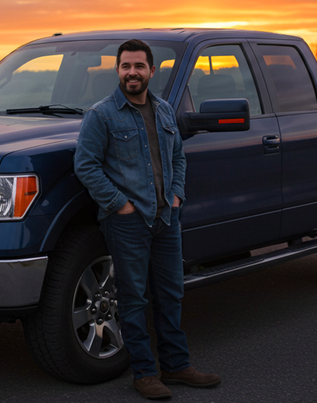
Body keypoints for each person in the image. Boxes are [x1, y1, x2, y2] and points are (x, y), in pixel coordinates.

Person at [73, 39, 220, 400]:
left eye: (139, 66)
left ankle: (177, 365)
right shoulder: (102, 114)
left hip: (166, 218)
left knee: (171, 293)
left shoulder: (165, 110)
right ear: (118, 70)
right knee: (134, 298)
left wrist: (176, 195)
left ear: (151, 71)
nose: (132, 73)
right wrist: (119, 204)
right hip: (127, 221)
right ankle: (144, 373)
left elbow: (179, 158)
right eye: (126, 66)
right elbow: (85, 165)